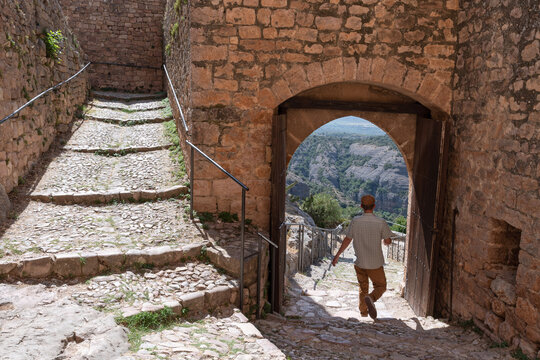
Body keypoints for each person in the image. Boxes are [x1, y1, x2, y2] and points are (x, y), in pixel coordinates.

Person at [331, 194, 393, 320]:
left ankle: (363, 314)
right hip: (375, 263)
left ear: (361, 206)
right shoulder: (381, 222)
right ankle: (371, 298)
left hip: (359, 262)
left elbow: (347, 239)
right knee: (381, 286)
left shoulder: (355, 221)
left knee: (363, 288)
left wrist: (337, 256)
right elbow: (387, 241)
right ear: (374, 206)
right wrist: (385, 241)